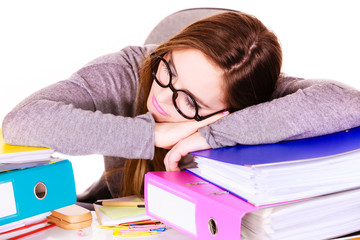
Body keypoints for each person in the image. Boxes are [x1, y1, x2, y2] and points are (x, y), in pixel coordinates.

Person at [2, 11, 360, 202]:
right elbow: (23, 121)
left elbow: (346, 102)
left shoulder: (257, 94)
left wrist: (214, 134)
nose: (161, 94)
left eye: (189, 101)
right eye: (169, 68)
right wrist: (153, 133)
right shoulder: (131, 69)